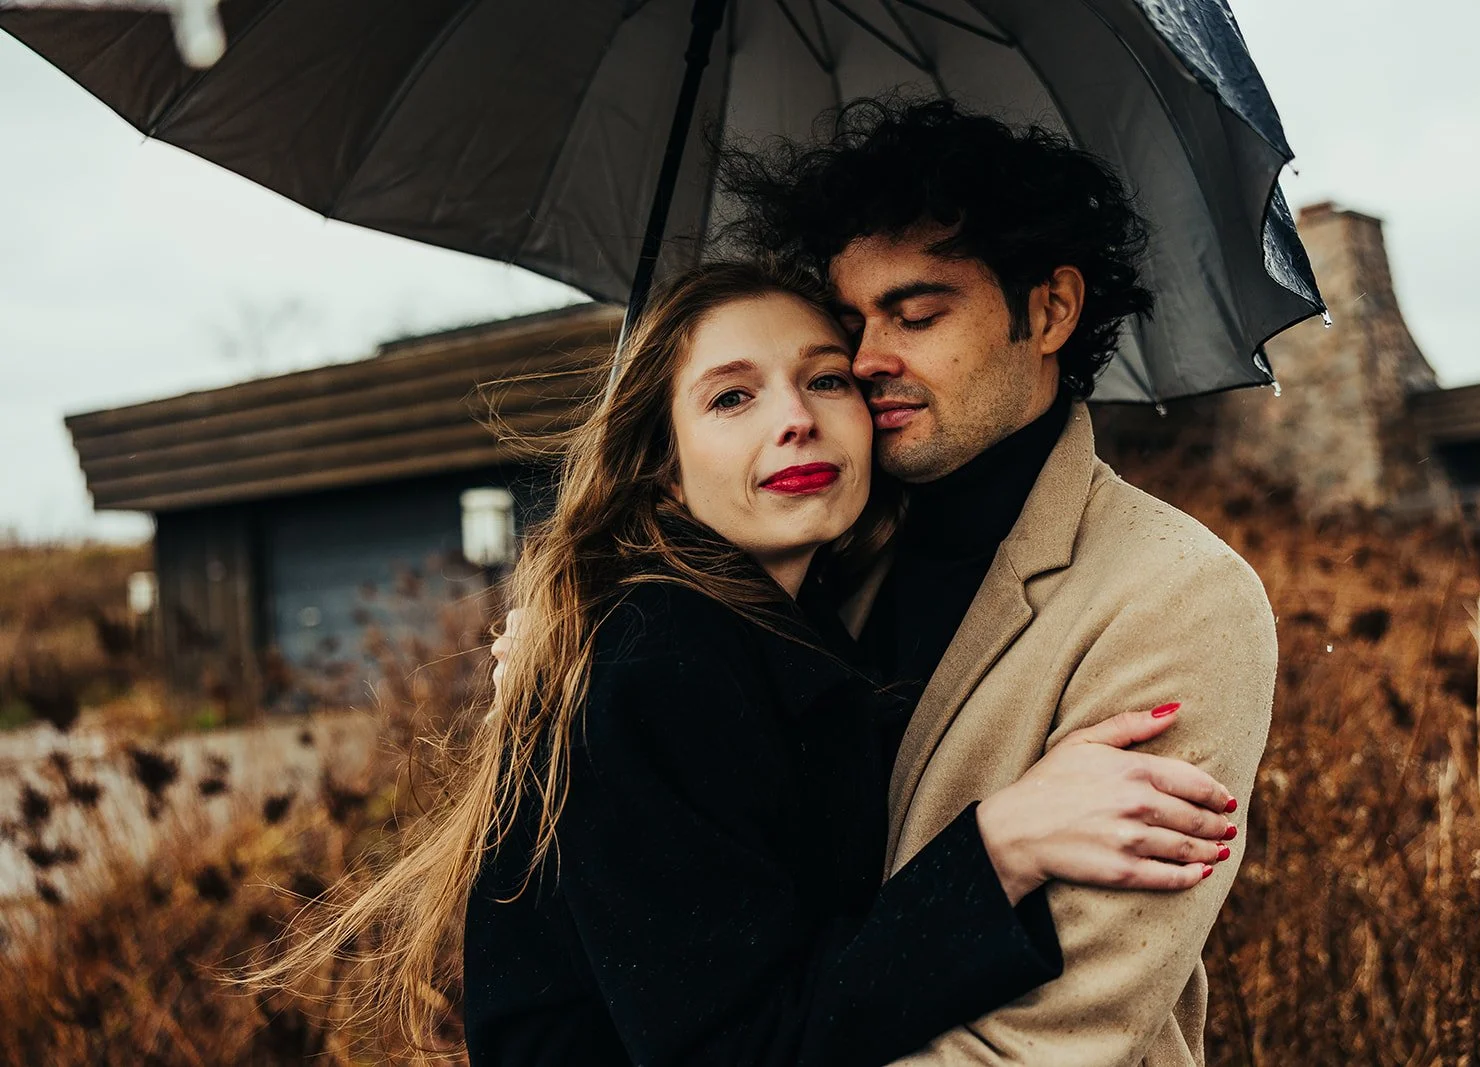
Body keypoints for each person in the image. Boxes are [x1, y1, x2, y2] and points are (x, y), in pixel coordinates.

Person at [253, 259, 1239, 1066]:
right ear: (662, 468)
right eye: (732, 396)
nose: (796, 417)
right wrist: (997, 846)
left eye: (825, 377)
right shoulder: (654, 659)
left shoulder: (790, 607)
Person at [707, 97, 1281, 1065]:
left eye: (917, 313)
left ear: (1049, 309)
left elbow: (1051, 1038)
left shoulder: (1177, 594)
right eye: (849, 321)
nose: (867, 359)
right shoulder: (812, 550)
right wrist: (576, 670)